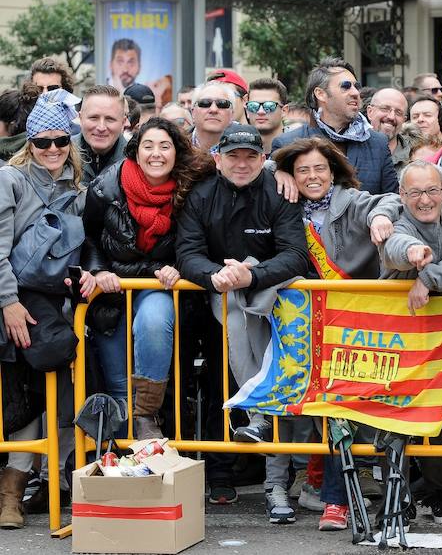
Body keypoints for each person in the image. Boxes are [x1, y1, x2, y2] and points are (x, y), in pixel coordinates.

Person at [176, 123, 309, 509]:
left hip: (275, 302)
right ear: (217, 159)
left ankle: (286, 473)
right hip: (218, 302)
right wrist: (214, 275)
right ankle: (233, 463)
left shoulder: (279, 192)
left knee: (285, 382)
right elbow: (187, 251)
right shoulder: (200, 196)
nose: (241, 163)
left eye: (250, 156)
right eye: (232, 155)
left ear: (263, 160)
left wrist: (252, 275)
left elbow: (294, 252)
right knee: (222, 381)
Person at [273, 136, 399, 530]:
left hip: (359, 322)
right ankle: (334, 499)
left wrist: (380, 218)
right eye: (302, 170)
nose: (312, 177)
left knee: (368, 409)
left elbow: (391, 200)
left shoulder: (352, 201)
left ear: (333, 172)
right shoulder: (282, 202)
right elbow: (241, 170)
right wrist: (275, 169)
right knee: (329, 413)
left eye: (319, 169)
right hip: (308, 324)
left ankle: (389, 498)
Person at [0, 89, 97, 530]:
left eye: (61, 142)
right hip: (14, 306)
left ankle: (43, 488)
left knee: (53, 396)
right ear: (29, 144)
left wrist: (91, 276)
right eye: (43, 143)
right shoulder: (11, 180)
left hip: (55, 309)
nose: (53, 150)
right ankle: (12, 494)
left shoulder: (78, 188)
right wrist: (9, 303)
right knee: (21, 399)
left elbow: (80, 252)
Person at [83, 117, 211, 440]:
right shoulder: (107, 186)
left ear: (176, 151)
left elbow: (197, 241)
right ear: (135, 151)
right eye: (148, 146)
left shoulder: (191, 187)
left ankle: (147, 418)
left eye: (164, 146)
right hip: (112, 290)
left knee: (154, 320)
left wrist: (180, 267)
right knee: (118, 385)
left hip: (159, 287)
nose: (156, 154)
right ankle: (123, 463)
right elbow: (89, 238)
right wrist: (99, 270)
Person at [380, 159, 442, 528]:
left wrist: (430, 277)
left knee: (434, 413)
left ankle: (438, 491)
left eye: (433, 190)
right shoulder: (394, 221)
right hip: (394, 333)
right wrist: (412, 255)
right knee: (392, 414)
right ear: (402, 196)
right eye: (416, 192)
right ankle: (396, 495)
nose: (425, 200)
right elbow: (394, 245)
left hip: (441, 336)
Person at [272, 57, 398, 195]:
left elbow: (392, 200)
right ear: (321, 94)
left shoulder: (378, 143)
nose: (356, 93)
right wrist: (274, 171)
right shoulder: (287, 144)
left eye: (356, 86)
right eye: (345, 86)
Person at [74, 85, 128, 185]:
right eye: (94, 118)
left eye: (110, 119)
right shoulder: (62, 155)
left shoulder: (137, 160)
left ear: (123, 122)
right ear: (80, 118)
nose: (101, 127)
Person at [366, 88, 411, 169]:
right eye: (385, 109)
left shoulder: (414, 156)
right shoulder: (351, 151)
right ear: (370, 112)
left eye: (398, 112)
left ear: (404, 120)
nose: (391, 117)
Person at [190, 82, 236, 154]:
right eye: (205, 103)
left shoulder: (247, 148)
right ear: (193, 113)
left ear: (232, 115)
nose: (213, 109)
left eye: (222, 104)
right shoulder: (176, 146)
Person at [246, 78, 287, 155]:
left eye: (269, 106)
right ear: (247, 111)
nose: (260, 112)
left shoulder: (298, 148)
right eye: (253, 106)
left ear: (284, 111)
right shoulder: (237, 150)